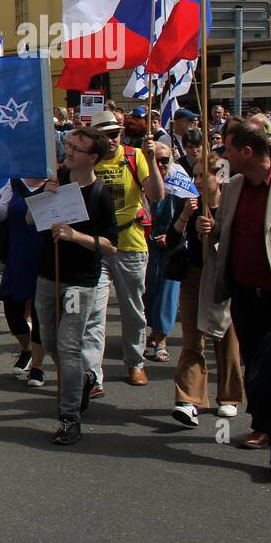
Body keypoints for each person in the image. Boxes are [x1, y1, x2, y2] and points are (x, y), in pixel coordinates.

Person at [31, 126, 119, 446]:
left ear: (92, 158)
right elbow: (31, 221)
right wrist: (44, 196)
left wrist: (74, 236)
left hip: (79, 283)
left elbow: (111, 245)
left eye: (76, 149)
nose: (68, 152)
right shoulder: (56, 182)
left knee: (68, 347)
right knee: (51, 342)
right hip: (46, 277)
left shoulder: (100, 195)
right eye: (67, 145)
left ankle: (69, 417)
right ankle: (81, 378)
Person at [197, 117, 271, 454]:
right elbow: (224, 233)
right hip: (244, 291)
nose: (222, 153)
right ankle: (261, 424)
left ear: (246, 151)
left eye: (227, 148)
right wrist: (208, 228)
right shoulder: (234, 187)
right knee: (255, 362)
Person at [89, 109, 165, 386]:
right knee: (93, 312)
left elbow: (156, 195)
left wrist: (152, 160)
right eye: (106, 135)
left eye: (115, 134)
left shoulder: (134, 157)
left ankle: (135, 362)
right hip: (96, 245)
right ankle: (93, 375)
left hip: (130, 243)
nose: (112, 140)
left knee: (133, 309)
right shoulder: (88, 162)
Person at [170, 156, 244, 426]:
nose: (198, 181)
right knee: (192, 339)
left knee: (224, 338)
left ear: (219, 176)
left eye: (204, 175)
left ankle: (229, 396)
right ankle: (189, 399)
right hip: (193, 276)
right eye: (195, 175)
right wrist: (184, 217)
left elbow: (238, 241)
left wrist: (215, 230)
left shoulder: (231, 205)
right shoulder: (190, 204)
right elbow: (171, 238)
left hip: (222, 277)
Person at [0, 176, 48, 385]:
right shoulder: (14, 184)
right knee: (12, 309)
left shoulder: (56, 183)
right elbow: (0, 215)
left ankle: (37, 368)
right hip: (18, 255)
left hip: (44, 256)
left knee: (40, 315)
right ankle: (27, 349)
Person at [143, 144, 183, 364]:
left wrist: (173, 235)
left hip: (172, 245)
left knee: (168, 292)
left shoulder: (181, 182)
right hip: (146, 244)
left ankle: (162, 340)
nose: (161, 165)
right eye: (156, 160)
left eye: (165, 160)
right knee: (149, 291)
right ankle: (153, 330)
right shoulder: (142, 179)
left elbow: (191, 210)